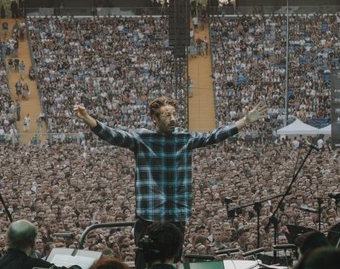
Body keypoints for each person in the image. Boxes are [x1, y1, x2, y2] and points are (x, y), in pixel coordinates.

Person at [74, 96, 266, 269]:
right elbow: (114, 135)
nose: (173, 119)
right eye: (167, 115)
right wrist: (89, 118)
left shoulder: (185, 138)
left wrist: (245, 120)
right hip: (150, 214)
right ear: (154, 119)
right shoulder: (142, 139)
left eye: (174, 114)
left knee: (172, 263)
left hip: (176, 214)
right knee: (144, 261)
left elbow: (214, 135)